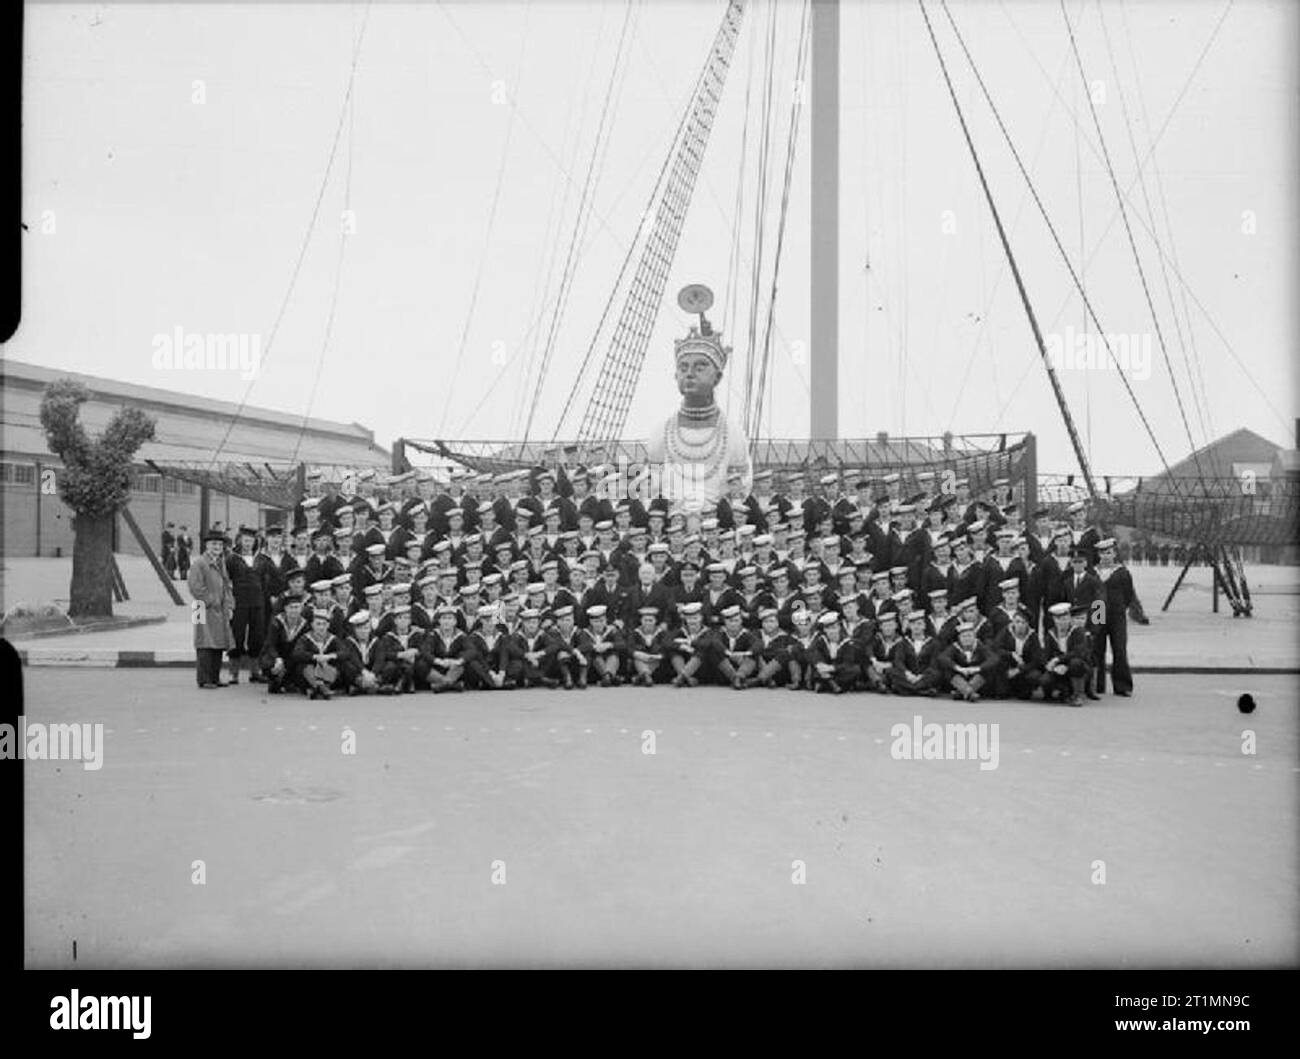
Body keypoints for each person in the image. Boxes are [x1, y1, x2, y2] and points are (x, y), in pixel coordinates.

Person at [643, 284, 752, 513]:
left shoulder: (733, 434)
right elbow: (651, 486)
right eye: (683, 367)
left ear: (718, 377)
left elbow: (741, 488)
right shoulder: (660, 433)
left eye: (700, 366)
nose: (689, 373)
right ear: (675, 375)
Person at [188, 529, 235, 689]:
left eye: (220, 544)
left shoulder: (220, 562)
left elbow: (227, 585)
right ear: (207, 545)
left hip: (219, 608)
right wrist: (212, 600)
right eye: (214, 544)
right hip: (201, 607)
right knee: (204, 643)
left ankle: (214, 677)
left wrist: (229, 604)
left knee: (219, 642)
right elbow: (195, 587)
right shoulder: (199, 563)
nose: (217, 547)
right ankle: (204, 679)